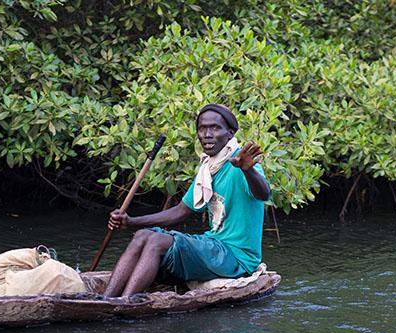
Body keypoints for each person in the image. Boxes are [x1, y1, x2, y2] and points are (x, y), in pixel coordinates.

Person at [104, 104, 271, 297]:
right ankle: (105, 299)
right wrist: (132, 221)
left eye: (215, 128)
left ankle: (124, 303)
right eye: (202, 128)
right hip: (214, 244)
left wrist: (248, 170)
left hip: (238, 257)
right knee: (142, 235)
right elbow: (181, 210)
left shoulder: (241, 161)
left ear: (230, 133)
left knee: (157, 242)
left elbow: (263, 194)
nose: (207, 134)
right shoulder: (209, 168)